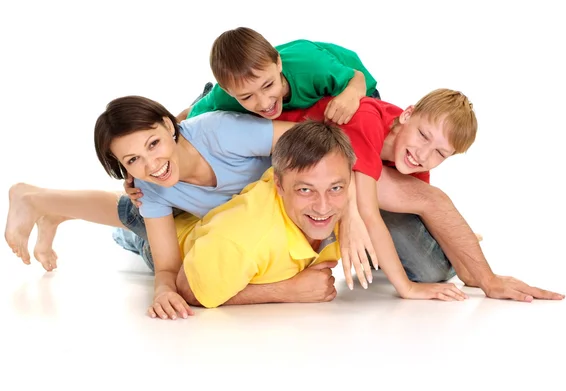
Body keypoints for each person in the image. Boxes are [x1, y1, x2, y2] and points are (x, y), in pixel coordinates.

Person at [4, 96, 367, 320]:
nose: (152, 164)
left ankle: (53, 208)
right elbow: (167, 267)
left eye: (154, 144)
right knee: (131, 219)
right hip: (198, 226)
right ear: (124, 168)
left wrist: (351, 214)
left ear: (168, 126)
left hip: (243, 213)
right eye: (133, 160)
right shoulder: (150, 185)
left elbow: (325, 154)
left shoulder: (221, 133)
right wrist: (163, 290)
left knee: (131, 217)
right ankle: (37, 199)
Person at [277, 89, 565, 302]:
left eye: (440, 153)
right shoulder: (368, 120)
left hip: (345, 186)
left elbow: (421, 211)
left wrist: (470, 266)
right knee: (431, 201)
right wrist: (407, 288)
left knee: (433, 271)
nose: (423, 154)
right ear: (408, 113)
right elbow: (368, 211)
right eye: (423, 136)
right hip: (295, 164)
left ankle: (470, 266)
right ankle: (480, 273)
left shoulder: (412, 162)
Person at [172, 120, 466, 309]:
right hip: (185, 240)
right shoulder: (243, 239)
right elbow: (188, 288)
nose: (323, 207)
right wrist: (286, 291)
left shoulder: (347, 201)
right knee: (133, 223)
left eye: (336, 188)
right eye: (305, 191)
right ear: (279, 185)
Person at [176, 27, 379, 125]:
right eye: (246, 96)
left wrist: (351, 93)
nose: (264, 102)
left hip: (346, 79)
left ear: (278, 63)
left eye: (268, 85)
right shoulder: (224, 95)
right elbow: (189, 116)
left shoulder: (313, 67)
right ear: (229, 91)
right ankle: (206, 91)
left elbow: (358, 78)